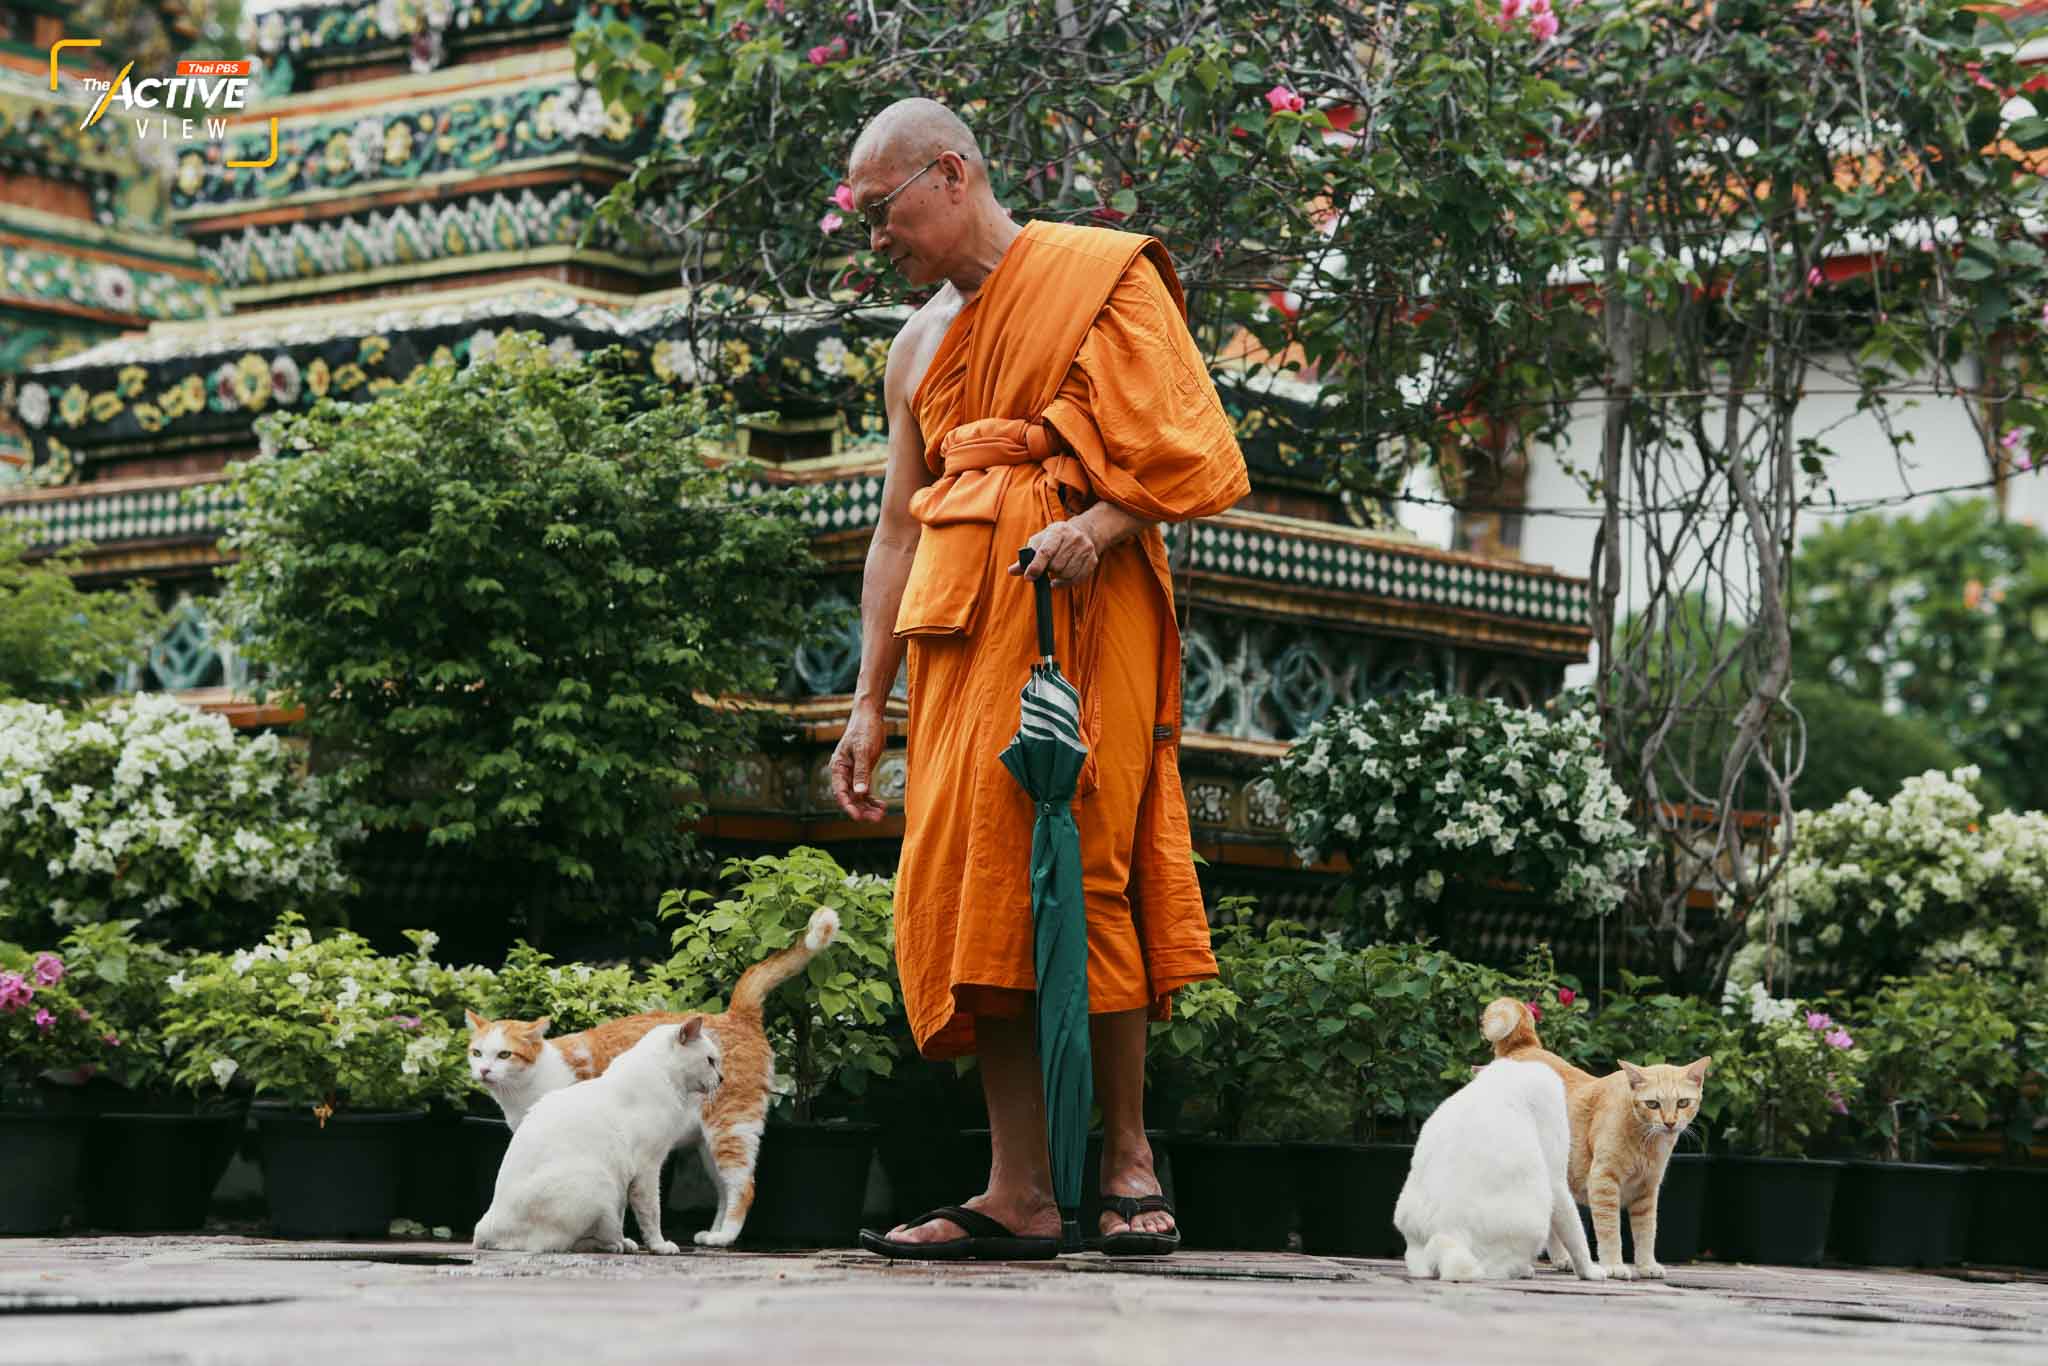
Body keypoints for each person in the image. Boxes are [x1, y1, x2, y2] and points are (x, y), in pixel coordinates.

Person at [829, 97, 1249, 1259]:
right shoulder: (915, 344)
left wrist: (1104, 526)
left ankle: (1126, 1158)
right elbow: (895, 531)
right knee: (979, 890)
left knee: (1089, 859)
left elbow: (1198, 452)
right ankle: (1018, 1188)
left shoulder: (1098, 276)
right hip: (960, 635)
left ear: (951, 172)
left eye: (883, 213)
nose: (877, 241)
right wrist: (866, 702)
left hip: (1079, 608)